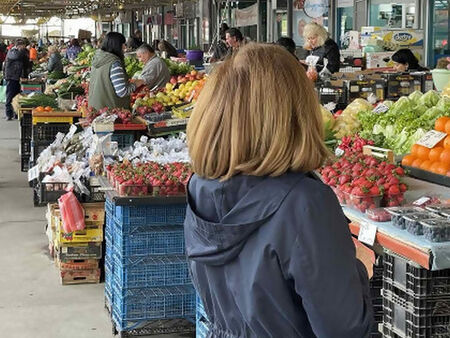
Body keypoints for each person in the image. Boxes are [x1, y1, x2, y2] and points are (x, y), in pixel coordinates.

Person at [184, 43, 374, 338]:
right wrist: (359, 270)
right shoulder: (305, 204)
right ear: (295, 114)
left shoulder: (199, 187)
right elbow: (343, 329)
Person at [89, 32, 136, 110]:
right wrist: (136, 84)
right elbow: (122, 92)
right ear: (116, 45)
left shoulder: (98, 58)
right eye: (123, 44)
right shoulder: (114, 63)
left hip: (96, 108)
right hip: (110, 112)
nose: (124, 47)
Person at [3, 39, 30, 120]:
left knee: (16, 96)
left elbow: (25, 64)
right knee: (10, 96)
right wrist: (23, 51)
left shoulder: (20, 52)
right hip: (11, 77)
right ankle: (9, 114)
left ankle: (16, 113)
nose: (24, 47)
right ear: (19, 45)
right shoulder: (12, 51)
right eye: (23, 46)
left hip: (17, 77)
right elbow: (16, 56)